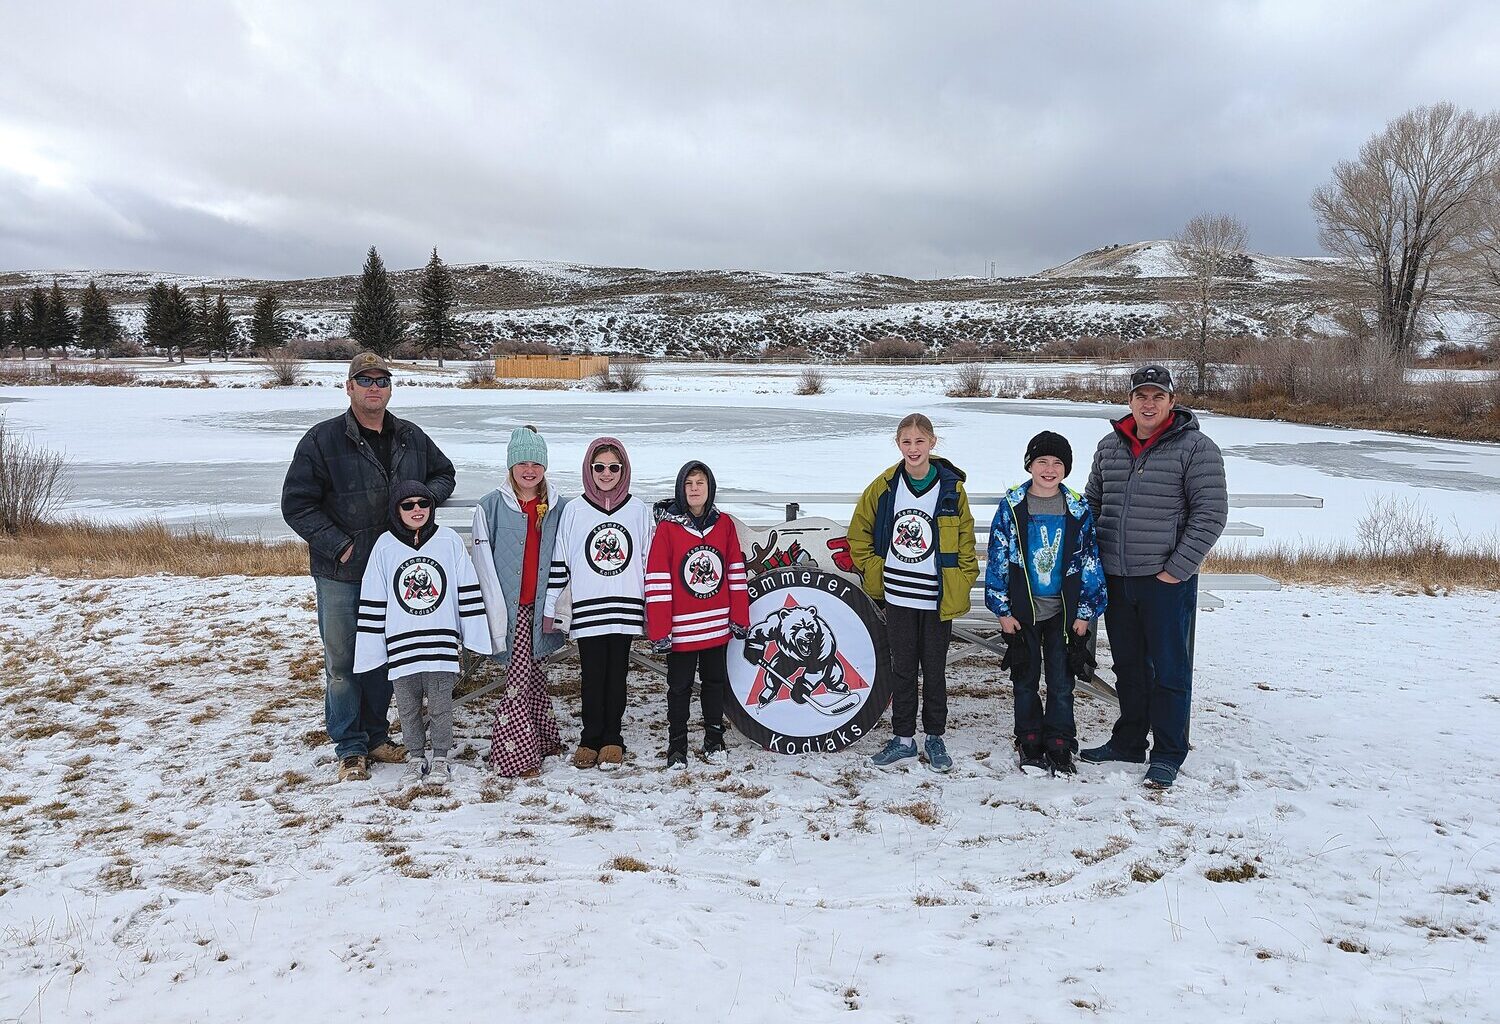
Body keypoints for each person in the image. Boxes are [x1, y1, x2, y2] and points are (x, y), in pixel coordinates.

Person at [281, 352, 456, 783]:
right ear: (349, 387)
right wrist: (339, 546)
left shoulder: (410, 436)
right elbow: (296, 504)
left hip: (396, 570)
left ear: (390, 387)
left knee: (383, 656)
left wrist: (418, 499)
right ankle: (350, 746)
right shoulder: (321, 440)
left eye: (381, 380)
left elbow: (444, 474)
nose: (374, 387)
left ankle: (378, 736)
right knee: (342, 662)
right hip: (343, 571)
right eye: (365, 380)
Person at [1081, 365, 1227, 789]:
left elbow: (1210, 514)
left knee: (1170, 669)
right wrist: (1092, 561)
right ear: (1130, 400)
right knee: (1128, 666)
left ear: (1170, 401)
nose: (1148, 403)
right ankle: (1128, 742)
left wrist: (1176, 570)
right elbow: (1093, 503)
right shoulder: (1110, 446)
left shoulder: (1196, 448)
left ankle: (1167, 751)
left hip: (1165, 580)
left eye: (1157, 396)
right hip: (1116, 576)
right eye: (1141, 395)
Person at [847, 413, 978, 774]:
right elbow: (859, 533)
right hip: (899, 597)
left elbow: (966, 541)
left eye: (920, 441)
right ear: (898, 444)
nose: (914, 448)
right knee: (902, 669)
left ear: (933, 443)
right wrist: (877, 570)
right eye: (907, 442)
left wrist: (961, 579)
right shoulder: (885, 486)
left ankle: (935, 736)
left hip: (936, 597)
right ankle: (903, 738)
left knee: (934, 670)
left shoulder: (951, 488)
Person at [984, 431, 1107, 775]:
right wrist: (1002, 610)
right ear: (1030, 465)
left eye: (1057, 463)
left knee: (1061, 680)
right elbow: (998, 557)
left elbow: (1089, 561)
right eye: (1042, 462)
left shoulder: (1078, 510)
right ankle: (1029, 737)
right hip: (1023, 612)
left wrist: (1085, 612)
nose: (1049, 469)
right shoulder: (1012, 507)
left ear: (1066, 468)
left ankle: (1059, 739)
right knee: (1025, 678)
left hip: (1063, 613)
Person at [354, 480, 491, 787]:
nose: (417, 510)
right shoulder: (385, 546)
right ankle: (416, 756)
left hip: (439, 643)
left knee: (442, 706)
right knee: (408, 707)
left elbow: (465, 587)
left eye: (423, 504)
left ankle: (441, 757)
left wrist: (473, 633)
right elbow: (375, 597)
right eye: (408, 505)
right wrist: (373, 646)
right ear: (396, 510)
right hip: (402, 646)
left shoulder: (448, 541)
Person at [543, 437, 653, 771]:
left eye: (614, 467)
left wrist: (652, 608)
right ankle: (590, 738)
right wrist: (552, 609)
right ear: (589, 470)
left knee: (617, 675)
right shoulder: (574, 510)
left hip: (625, 608)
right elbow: (561, 560)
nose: (607, 474)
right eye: (599, 467)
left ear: (624, 470)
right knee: (591, 676)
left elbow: (648, 561)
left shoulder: (639, 510)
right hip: (588, 609)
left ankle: (612, 738)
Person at [470, 426, 570, 778]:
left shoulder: (559, 506)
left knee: (535, 673)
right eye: (522, 463)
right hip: (510, 608)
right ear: (510, 466)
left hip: (542, 605)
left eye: (536, 463)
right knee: (518, 678)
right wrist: (490, 611)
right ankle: (514, 756)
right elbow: (482, 564)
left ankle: (543, 738)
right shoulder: (491, 507)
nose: (529, 470)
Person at [645, 461, 750, 770]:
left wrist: (739, 616)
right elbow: (658, 577)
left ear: (709, 488)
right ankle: (677, 744)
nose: (694, 488)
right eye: (689, 483)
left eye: (700, 483)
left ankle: (714, 738)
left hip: (716, 625)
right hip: (682, 628)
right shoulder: (668, 527)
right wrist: (661, 628)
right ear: (681, 488)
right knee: (678, 687)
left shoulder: (724, 524)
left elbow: (734, 570)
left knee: (714, 682)